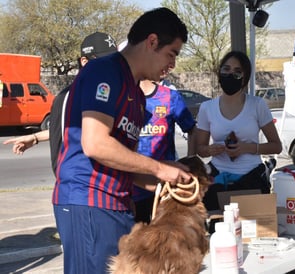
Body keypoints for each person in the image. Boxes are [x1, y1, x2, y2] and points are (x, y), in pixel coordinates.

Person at [54, 8, 190, 274]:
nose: (172, 65)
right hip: (88, 201)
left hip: (118, 205)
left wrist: (166, 183)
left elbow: (123, 160)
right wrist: (159, 168)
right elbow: (95, 144)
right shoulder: (104, 71)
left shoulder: (137, 95)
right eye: (171, 54)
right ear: (152, 42)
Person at [3, 31, 118, 177]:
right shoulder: (70, 96)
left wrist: (35, 137)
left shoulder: (103, 92)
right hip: (80, 185)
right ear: (84, 61)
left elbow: (73, 128)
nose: (111, 66)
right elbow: (64, 135)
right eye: (104, 60)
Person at [196, 50, 282, 210]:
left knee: (252, 231)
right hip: (217, 181)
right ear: (219, 72)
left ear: (245, 78)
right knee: (219, 230)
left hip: (252, 179)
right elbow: (200, 149)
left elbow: (276, 146)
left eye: (237, 72)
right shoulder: (206, 108)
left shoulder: (257, 105)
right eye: (226, 69)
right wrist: (210, 149)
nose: (230, 75)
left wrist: (247, 148)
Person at [133, 77, 197, 223]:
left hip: (164, 187)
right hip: (131, 189)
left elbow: (192, 129)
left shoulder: (170, 97)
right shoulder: (122, 97)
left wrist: (189, 163)